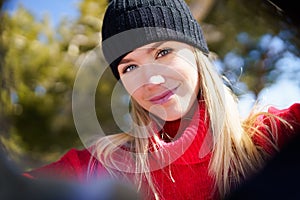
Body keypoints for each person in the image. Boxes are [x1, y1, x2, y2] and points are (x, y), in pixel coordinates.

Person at [23, 0, 300, 199]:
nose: (151, 79)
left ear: (196, 53)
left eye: (162, 52)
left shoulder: (275, 136)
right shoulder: (102, 166)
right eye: (130, 67)